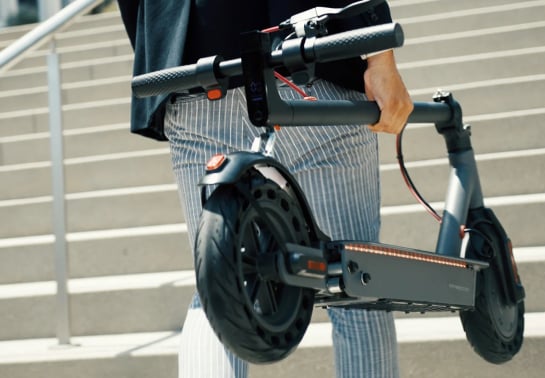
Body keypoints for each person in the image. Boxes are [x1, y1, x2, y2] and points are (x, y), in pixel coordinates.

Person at [117, 1, 413, 377]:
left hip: (196, 74)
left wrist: (163, 49)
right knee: (356, 280)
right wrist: (379, 54)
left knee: (222, 284)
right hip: (308, 59)